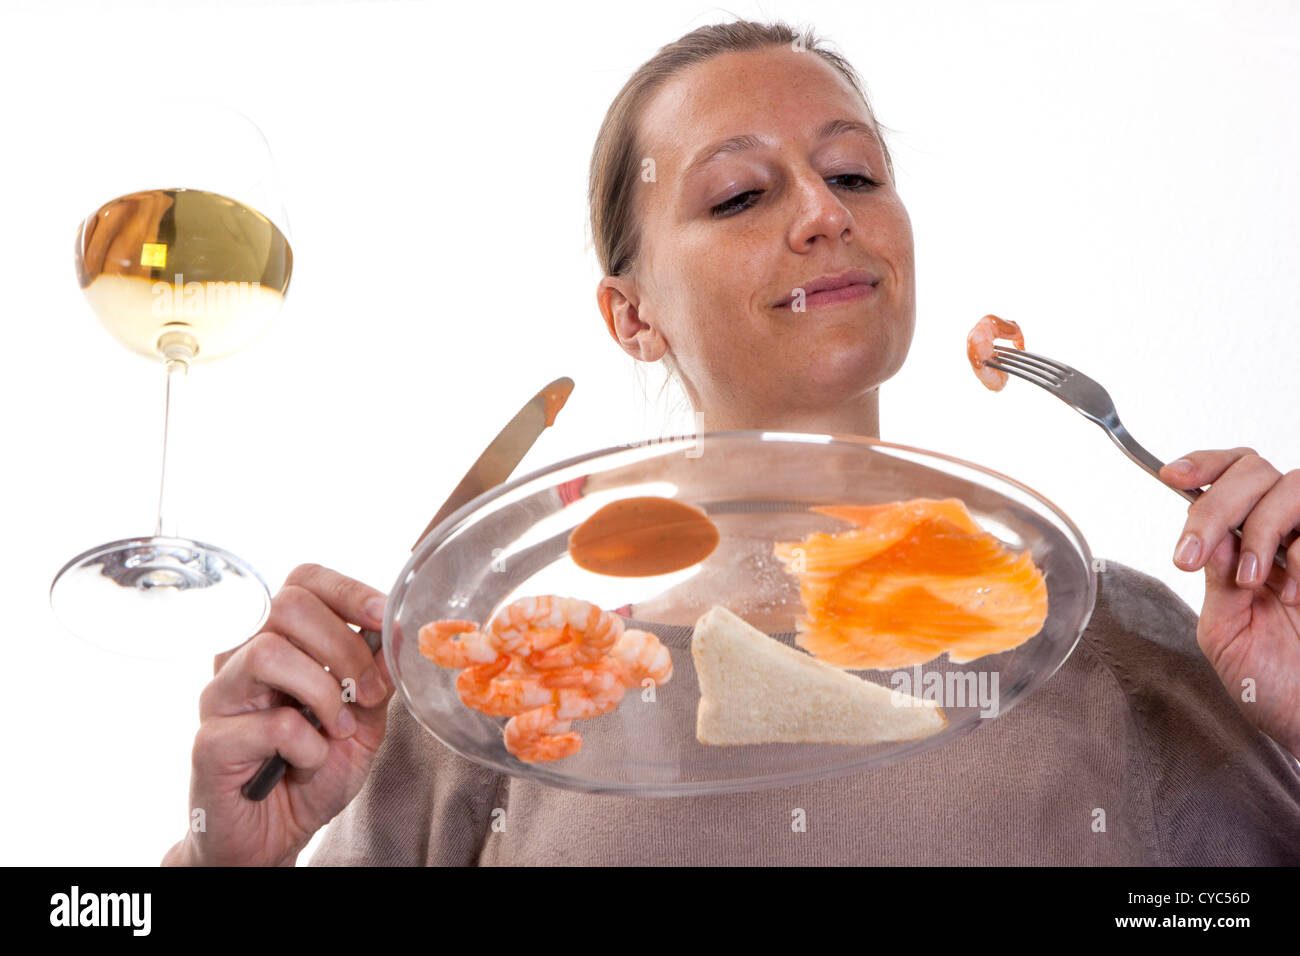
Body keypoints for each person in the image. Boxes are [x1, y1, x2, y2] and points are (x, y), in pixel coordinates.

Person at [162, 19, 1300, 867]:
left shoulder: (1105, 635)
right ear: (631, 315)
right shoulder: (493, 697)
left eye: (854, 173)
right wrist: (228, 859)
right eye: (739, 194)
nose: (822, 212)